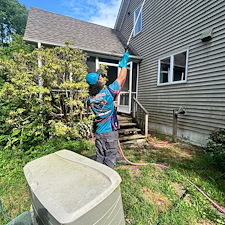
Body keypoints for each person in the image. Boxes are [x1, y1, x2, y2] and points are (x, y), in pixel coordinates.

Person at [86, 51, 130, 168]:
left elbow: (99, 102)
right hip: (110, 132)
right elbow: (122, 78)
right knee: (110, 159)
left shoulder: (89, 99)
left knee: (100, 157)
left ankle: (100, 178)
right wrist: (124, 62)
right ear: (98, 81)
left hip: (99, 133)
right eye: (100, 76)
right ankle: (110, 181)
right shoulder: (108, 92)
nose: (101, 77)